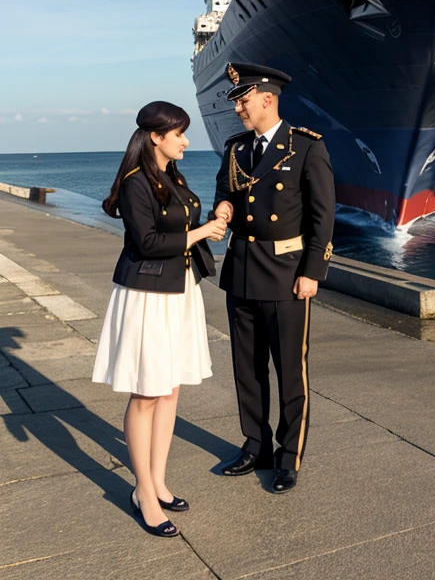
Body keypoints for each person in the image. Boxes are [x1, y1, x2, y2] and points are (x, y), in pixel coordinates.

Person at [92, 101, 227, 536]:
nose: (187, 140)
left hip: (178, 291)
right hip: (148, 294)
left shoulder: (174, 177)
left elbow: (177, 227)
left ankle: (159, 481)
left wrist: (214, 218)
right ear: (157, 136)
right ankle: (143, 493)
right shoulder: (136, 183)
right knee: (147, 393)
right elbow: (149, 242)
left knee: (169, 390)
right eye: (180, 133)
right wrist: (203, 232)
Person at [212, 62, 335, 494]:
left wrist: (312, 273)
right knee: (246, 368)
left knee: (289, 370)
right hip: (242, 269)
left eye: (244, 101)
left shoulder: (305, 147)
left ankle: (288, 456)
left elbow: (323, 216)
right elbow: (225, 190)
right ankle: (255, 445)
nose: (239, 109)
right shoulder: (236, 148)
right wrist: (223, 209)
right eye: (237, 103)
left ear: (267, 98)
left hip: (287, 275)